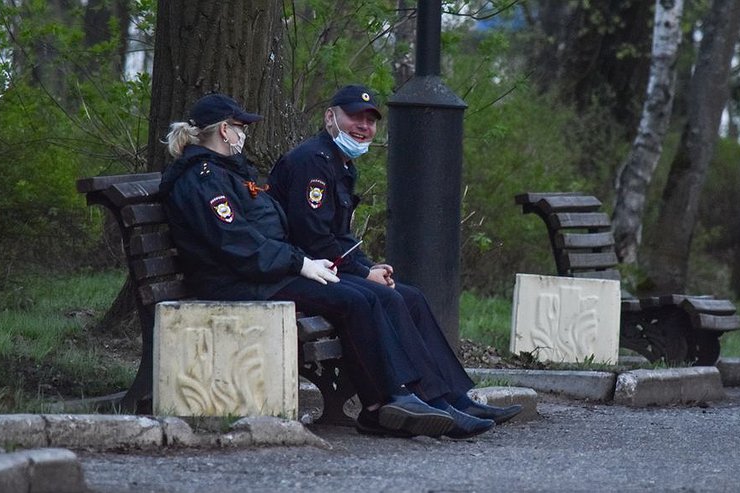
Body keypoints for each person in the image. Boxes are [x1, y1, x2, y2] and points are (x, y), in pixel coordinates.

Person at [158, 93, 491, 439]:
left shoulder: (229, 173)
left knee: (366, 296)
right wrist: (298, 261)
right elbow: (235, 243)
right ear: (224, 130)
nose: (244, 135)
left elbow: (261, 233)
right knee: (355, 300)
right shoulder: (203, 177)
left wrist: (308, 262)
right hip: (237, 281)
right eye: (241, 127)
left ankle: (404, 400)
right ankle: (390, 401)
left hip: (263, 271)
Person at [268, 85, 523, 429]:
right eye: (355, 117)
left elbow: (340, 236)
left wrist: (370, 266)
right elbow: (312, 238)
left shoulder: (341, 164)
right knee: (387, 298)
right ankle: (424, 402)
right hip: (305, 271)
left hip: (327, 268)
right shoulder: (312, 161)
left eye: (371, 121)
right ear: (330, 117)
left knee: (411, 297)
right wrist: (361, 272)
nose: (364, 126)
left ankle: (453, 398)